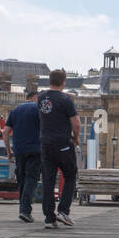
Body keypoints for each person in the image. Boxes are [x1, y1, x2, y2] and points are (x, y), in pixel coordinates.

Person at [38, 69, 81, 229]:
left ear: (49, 80)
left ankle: (49, 218)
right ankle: (63, 210)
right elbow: (76, 123)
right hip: (62, 143)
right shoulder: (66, 99)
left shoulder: (41, 97)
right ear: (64, 82)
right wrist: (76, 137)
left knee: (48, 180)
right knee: (70, 175)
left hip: (45, 143)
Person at [3, 88, 41, 224]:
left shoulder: (15, 111)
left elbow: (5, 132)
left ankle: (22, 210)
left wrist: (8, 151)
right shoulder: (39, 110)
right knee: (31, 179)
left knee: (22, 180)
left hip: (19, 150)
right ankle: (25, 211)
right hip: (36, 149)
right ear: (36, 98)